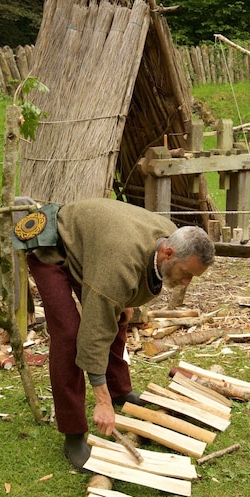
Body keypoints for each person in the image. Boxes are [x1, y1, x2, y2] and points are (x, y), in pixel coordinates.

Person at [22, 197, 215, 469]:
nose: (186, 282)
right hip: (52, 245)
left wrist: (122, 305)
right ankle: (74, 432)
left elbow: (126, 285)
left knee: (117, 314)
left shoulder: (166, 234)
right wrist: (100, 402)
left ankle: (119, 391)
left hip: (94, 245)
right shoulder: (120, 260)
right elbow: (95, 330)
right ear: (168, 253)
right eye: (185, 273)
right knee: (69, 334)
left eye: (193, 276)